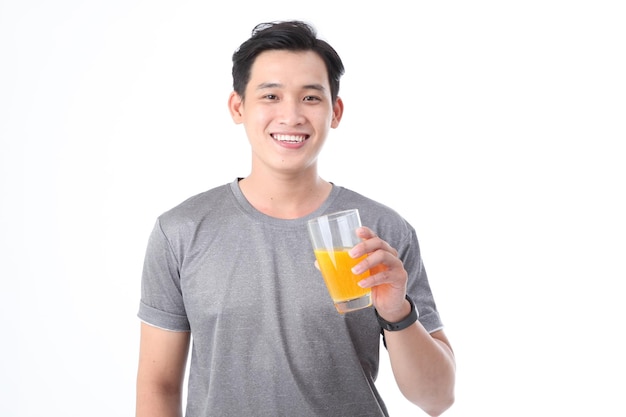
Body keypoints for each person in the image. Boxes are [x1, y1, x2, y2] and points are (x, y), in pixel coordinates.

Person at [135, 20, 456, 417]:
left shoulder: (380, 232)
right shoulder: (180, 231)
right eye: (271, 95)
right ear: (238, 107)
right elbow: (158, 385)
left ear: (335, 112)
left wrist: (397, 311)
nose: (291, 116)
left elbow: (437, 398)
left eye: (310, 98)